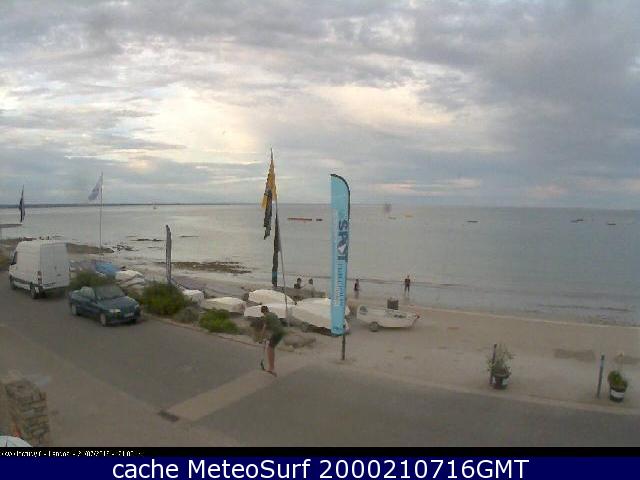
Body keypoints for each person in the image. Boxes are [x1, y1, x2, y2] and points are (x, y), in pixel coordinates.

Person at [254, 305, 284, 377]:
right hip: (281, 332)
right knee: (271, 347)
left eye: (263, 313)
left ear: (263, 312)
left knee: (270, 349)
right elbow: (274, 325)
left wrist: (260, 338)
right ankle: (271, 367)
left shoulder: (266, 316)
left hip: (277, 333)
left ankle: (271, 368)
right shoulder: (273, 314)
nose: (263, 314)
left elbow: (264, 328)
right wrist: (269, 337)